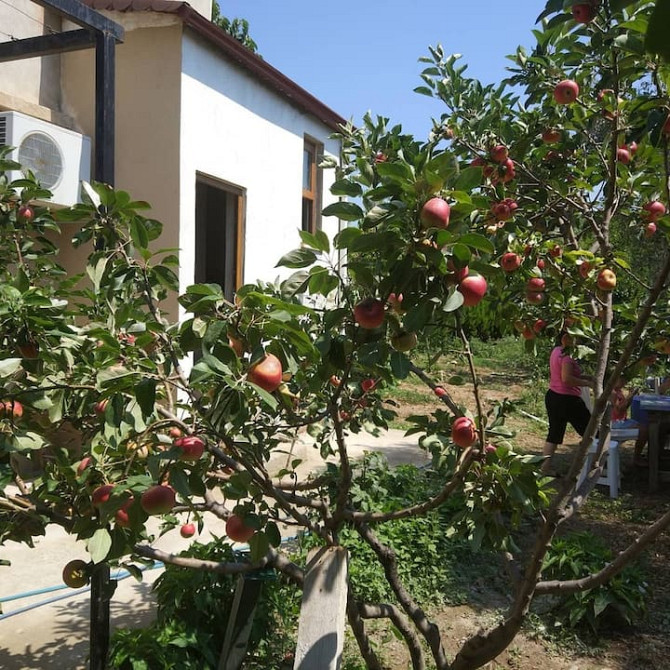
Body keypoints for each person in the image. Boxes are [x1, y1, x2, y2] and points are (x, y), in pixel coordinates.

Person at [541, 332, 595, 475]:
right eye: (575, 338)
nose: (578, 341)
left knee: (554, 434)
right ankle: (593, 465)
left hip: (553, 396)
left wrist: (585, 377)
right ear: (565, 339)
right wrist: (588, 383)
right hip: (567, 400)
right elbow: (567, 379)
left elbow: (562, 374)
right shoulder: (568, 356)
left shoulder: (556, 351)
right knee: (591, 431)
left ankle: (544, 468)